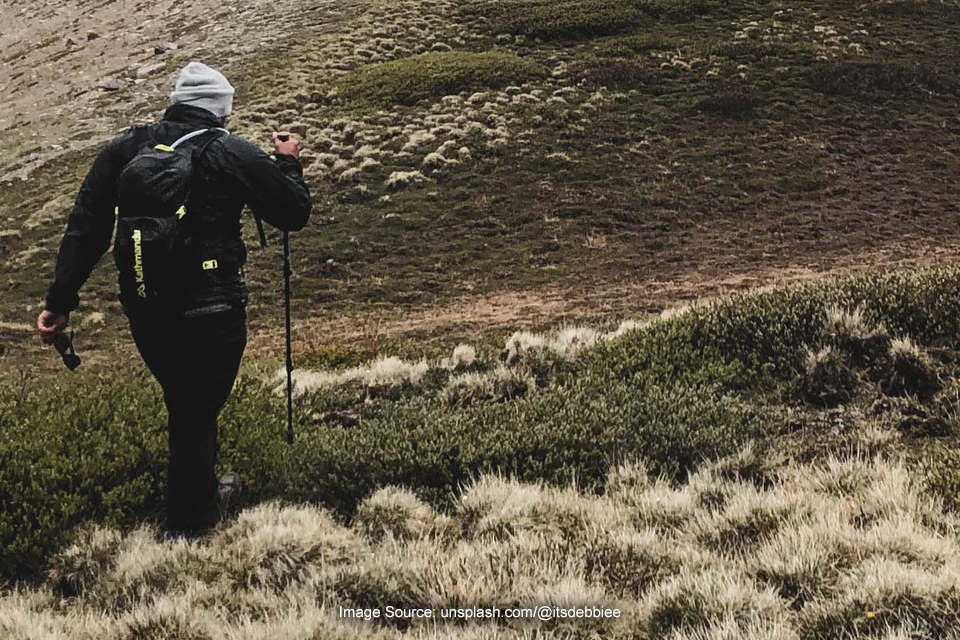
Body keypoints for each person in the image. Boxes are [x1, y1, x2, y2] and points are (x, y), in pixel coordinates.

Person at [36, 61, 313, 538]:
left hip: (147, 307)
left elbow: (87, 227)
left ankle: (196, 498)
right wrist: (287, 160)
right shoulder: (229, 151)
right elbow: (293, 212)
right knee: (196, 409)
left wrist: (60, 301)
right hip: (214, 307)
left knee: (186, 403)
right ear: (219, 111)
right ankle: (192, 525)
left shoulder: (127, 147)